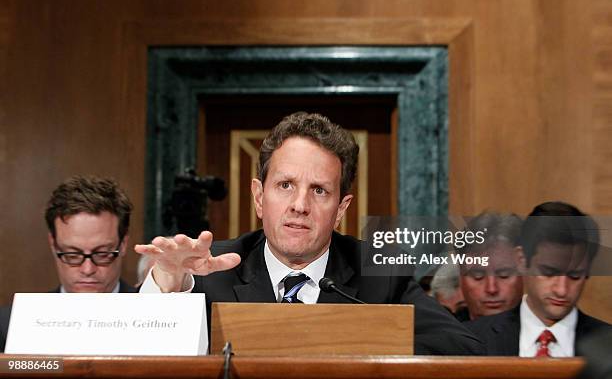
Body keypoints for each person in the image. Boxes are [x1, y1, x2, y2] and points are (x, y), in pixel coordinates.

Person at [137, 112, 484, 355]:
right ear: (259, 197)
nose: (299, 204)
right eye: (285, 185)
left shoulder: (380, 275)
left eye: (319, 190)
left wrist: (366, 344)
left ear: (341, 210)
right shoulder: (211, 272)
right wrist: (167, 282)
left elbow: (463, 349)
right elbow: (141, 354)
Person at [0, 175, 137, 352]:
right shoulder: (9, 327)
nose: (88, 269)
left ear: (123, 244)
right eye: (72, 254)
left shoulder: (157, 317)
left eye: (102, 253)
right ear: (53, 244)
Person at [465, 201, 611, 356]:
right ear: (521, 260)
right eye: (548, 273)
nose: (561, 290)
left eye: (574, 276)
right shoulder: (471, 340)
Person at [458, 212, 524, 320]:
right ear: (460, 278)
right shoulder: (441, 334)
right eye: (478, 276)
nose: (491, 289)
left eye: (504, 275)